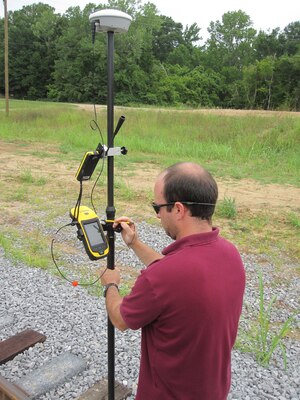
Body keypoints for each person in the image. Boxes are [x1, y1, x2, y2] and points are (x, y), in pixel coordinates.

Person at [101, 162, 245, 400]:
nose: (157, 215)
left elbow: (120, 318)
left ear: (178, 209)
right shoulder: (230, 254)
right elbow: (178, 276)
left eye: (157, 207)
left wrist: (111, 284)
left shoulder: (163, 277)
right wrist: (134, 243)